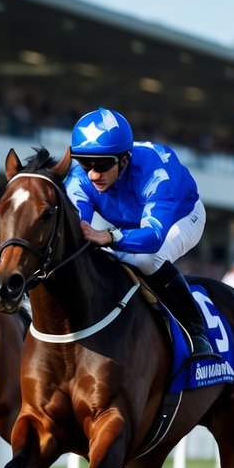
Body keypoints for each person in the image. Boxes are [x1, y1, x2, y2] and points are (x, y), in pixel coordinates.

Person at [65, 107, 217, 361]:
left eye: (102, 165)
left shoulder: (156, 174)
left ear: (124, 160)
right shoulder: (80, 176)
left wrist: (111, 237)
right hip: (132, 222)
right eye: (84, 162)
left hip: (181, 218)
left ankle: (196, 330)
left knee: (148, 260)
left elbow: (153, 236)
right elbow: (77, 228)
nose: (92, 174)